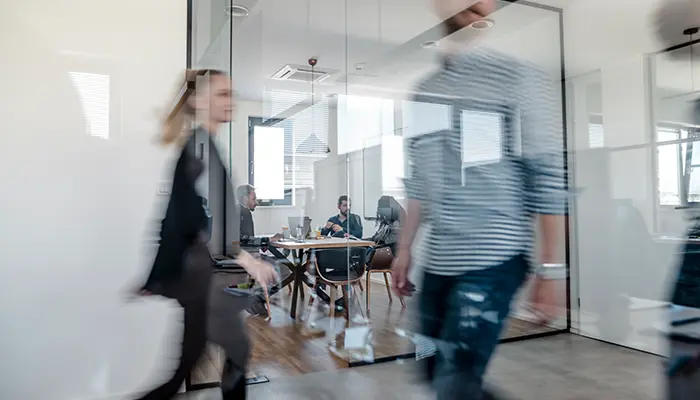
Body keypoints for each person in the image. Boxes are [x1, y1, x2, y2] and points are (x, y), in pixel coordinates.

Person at [391, 1, 566, 398]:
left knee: (455, 381)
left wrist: (551, 270)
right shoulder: (426, 90)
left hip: (494, 258)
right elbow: (421, 178)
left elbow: (548, 176)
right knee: (431, 369)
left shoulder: (517, 76)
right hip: (439, 259)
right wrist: (404, 249)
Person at [135, 69, 277, 400]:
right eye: (223, 94)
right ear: (200, 101)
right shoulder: (201, 145)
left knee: (203, 359)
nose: (231, 100)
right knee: (228, 351)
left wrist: (155, 276)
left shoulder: (203, 144)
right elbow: (190, 218)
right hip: (199, 275)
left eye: (231, 92)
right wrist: (248, 261)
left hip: (198, 274)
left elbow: (175, 216)